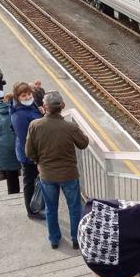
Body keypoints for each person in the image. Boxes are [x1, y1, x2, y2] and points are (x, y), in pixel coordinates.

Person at [26, 90, 89, 248]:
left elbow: (29, 152)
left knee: (50, 208)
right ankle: (76, 240)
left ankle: (54, 240)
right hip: (69, 174)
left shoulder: (35, 126)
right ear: (63, 106)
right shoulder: (70, 127)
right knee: (74, 208)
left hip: (47, 174)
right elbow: (83, 143)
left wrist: (38, 162)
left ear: (44, 107)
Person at [9, 82, 43, 219]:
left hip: (37, 151)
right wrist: (35, 159)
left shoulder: (31, 106)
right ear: (17, 97)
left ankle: (37, 206)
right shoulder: (19, 115)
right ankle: (31, 211)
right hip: (29, 155)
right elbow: (25, 140)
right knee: (29, 183)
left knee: (35, 181)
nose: (28, 97)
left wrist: (42, 113)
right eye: (24, 95)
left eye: (29, 94)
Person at [0, 94, 21, 194]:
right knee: (23, 166)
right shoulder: (15, 112)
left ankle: (13, 191)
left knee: (9, 167)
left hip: (0, 144)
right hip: (15, 141)